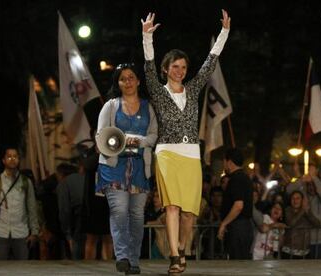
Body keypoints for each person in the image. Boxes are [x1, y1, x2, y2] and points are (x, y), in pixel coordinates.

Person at [141, 10, 230, 274]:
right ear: (165, 69)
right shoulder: (157, 91)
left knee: (190, 212)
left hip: (191, 154)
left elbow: (210, 62)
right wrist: (147, 37)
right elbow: (147, 65)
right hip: (167, 153)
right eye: (174, 66)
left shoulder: (192, 89)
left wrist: (224, 32)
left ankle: (181, 247)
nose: (179, 71)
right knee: (172, 206)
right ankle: (173, 255)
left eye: (183, 67)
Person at [96, 63, 158, 274]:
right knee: (119, 210)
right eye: (123, 79)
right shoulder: (111, 106)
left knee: (137, 216)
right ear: (118, 83)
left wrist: (138, 141)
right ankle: (122, 255)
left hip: (140, 167)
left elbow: (153, 136)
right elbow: (100, 136)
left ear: (138, 81)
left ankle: (134, 260)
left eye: (131, 77)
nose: (128, 82)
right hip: (114, 166)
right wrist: (120, 142)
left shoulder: (148, 107)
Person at [0, 147, 39, 260]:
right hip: (0, 233)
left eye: (15, 156)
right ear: (3, 160)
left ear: (18, 160)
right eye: (9, 156)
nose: (12, 159)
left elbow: (32, 207)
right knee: (0, 270)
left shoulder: (26, 182)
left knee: (22, 269)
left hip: (21, 233)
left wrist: (34, 231)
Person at [217, 148, 254, 260]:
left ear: (229, 162)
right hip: (243, 227)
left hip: (238, 228)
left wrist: (224, 224)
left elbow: (238, 205)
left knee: (238, 265)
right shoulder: (244, 177)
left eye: (224, 161)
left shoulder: (236, 179)